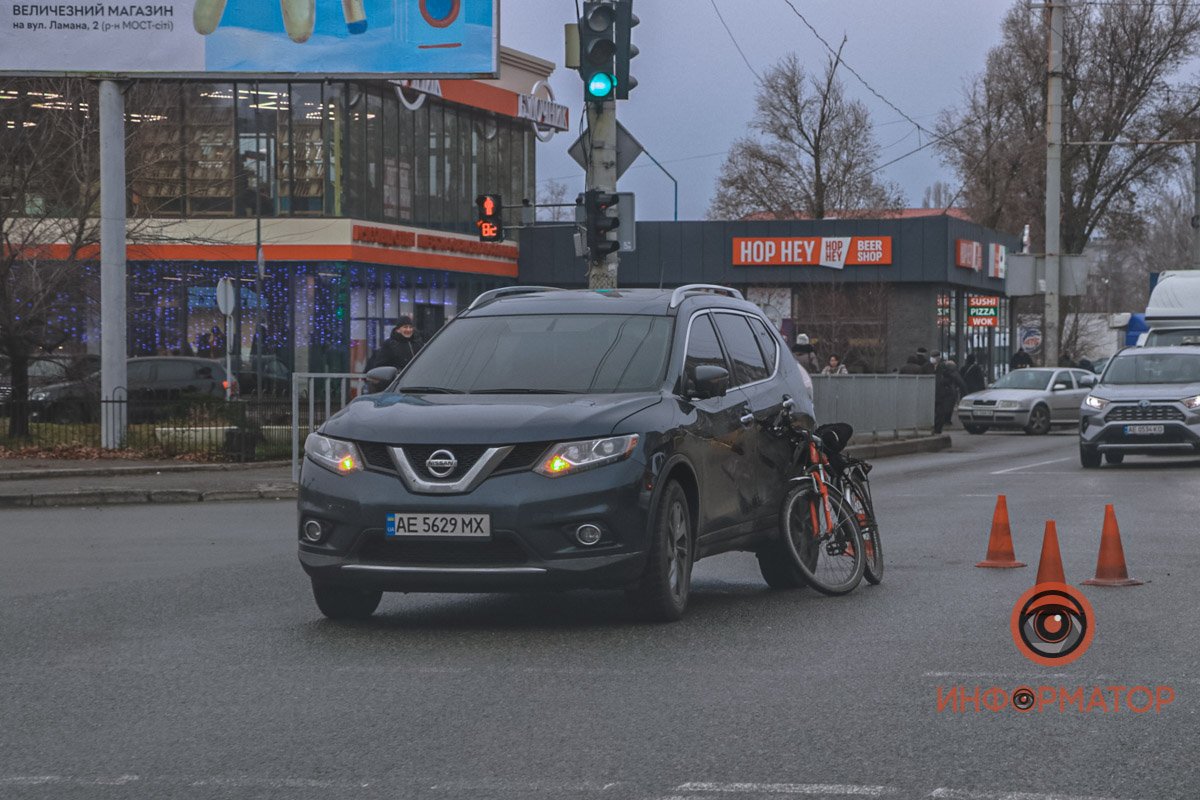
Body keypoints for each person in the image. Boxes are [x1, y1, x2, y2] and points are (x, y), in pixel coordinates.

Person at [933, 355, 968, 434]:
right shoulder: (952, 372)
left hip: (937, 394)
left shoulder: (938, 370)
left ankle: (936, 429)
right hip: (946, 395)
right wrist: (965, 394)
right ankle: (937, 430)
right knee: (942, 412)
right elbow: (961, 383)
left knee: (939, 412)